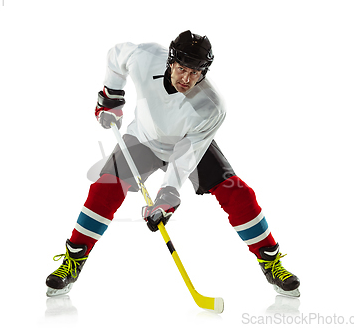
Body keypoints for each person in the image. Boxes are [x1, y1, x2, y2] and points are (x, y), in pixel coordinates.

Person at [46, 30, 300, 298]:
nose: (187, 79)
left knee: (238, 193)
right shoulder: (144, 57)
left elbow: (187, 154)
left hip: (186, 144)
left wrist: (168, 194)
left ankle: (271, 262)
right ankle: (73, 260)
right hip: (143, 138)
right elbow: (115, 55)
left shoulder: (212, 106)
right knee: (104, 190)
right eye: (181, 69)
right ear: (170, 61)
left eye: (195, 73)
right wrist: (112, 96)